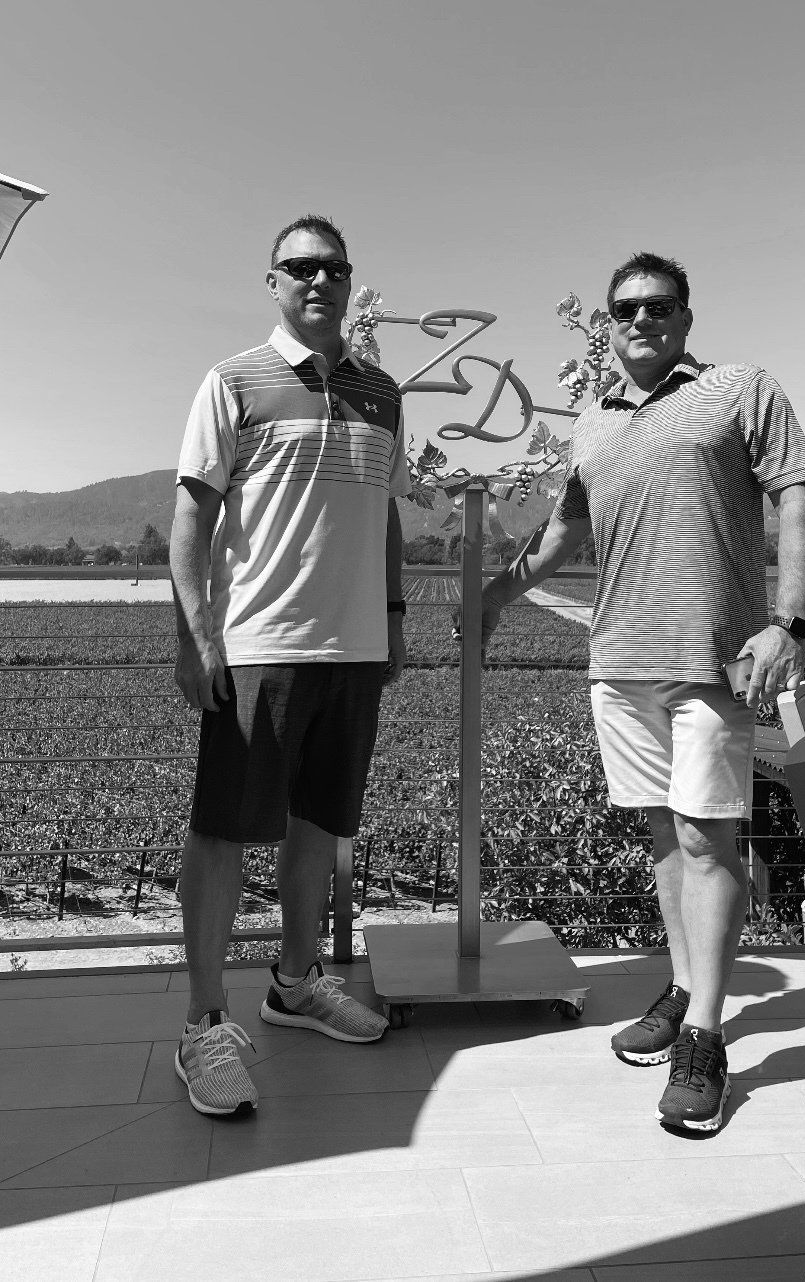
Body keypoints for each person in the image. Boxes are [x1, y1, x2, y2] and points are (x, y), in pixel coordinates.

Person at [482, 252, 805, 1132]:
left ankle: (704, 1039)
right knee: (666, 843)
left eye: (658, 304)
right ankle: (683, 986)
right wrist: (494, 596)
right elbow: (565, 525)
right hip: (619, 666)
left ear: (685, 316)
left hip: (714, 664)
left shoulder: (739, 390)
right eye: (625, 308)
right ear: (608, 323)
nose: (641, 318)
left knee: (711, 847)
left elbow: (798, 496)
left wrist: (788, 622)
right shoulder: (593, 423)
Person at [169, 213, 410, 1117]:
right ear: (272, 282)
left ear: (350, 284)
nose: (319, 281)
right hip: (260, 648)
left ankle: (297, 984)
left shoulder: (382, 393)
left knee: (321, 824)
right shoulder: (233, 381)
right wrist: (197, 636)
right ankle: (202, 1026)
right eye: (300, 267)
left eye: (334, 268)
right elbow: (192, 515)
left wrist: (390, 617)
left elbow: (384, 514)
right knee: (224, 832)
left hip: (353, 653)